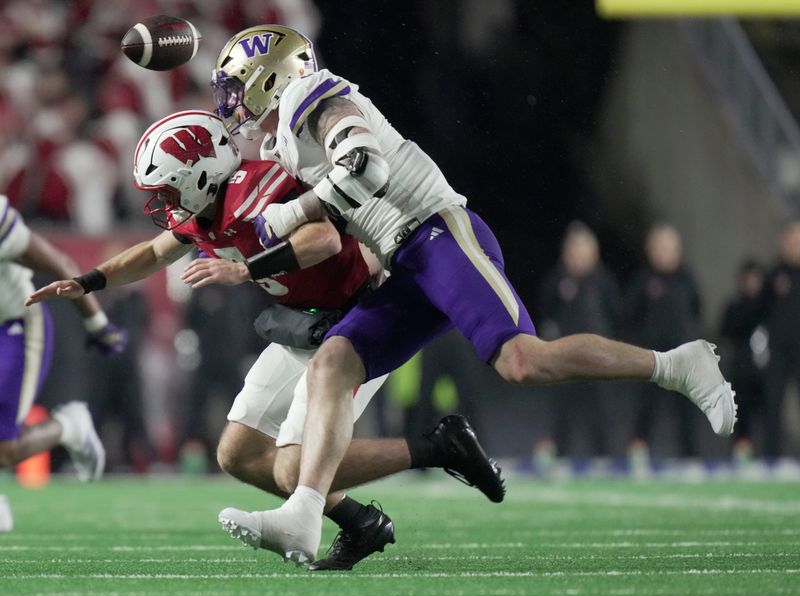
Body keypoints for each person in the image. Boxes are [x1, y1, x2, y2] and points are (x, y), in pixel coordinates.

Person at [206, 24, 738, 565]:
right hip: (404, 262)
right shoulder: (287, 140)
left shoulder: (311, 97)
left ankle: (676, 364)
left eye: (235, 85)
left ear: (269, 78)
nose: (230, 100)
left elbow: (366, 165)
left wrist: (297, 211)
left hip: (438, 233)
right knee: (331, 366)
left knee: (522, 362)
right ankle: (304, 517)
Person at [27, 110, 504, 569]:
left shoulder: (256, 187)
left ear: (198, 174)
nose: (164, 203)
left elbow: (324, 239)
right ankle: (361, 523)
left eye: (168, 189)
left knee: (295, 468)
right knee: (238, 454)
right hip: (307, 323)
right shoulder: (206, 209)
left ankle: (439, 448)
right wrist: (88, 281)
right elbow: (153, 252)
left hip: (358, 321)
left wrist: (244, 269)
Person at [0, 193, 126, 532]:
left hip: (13, 326)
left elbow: (61, 265)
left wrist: (96, 324)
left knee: (5, 450)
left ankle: (69, 426)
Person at [536, 221, 622, 459]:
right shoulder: (557, 281)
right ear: (566, 254)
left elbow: (617, 316)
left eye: (586, 252)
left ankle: (606, 461)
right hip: (565, 361)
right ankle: (559, 459)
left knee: (602, 415)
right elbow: (545, 314)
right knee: (563, 415)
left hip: (597, 362)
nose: (581, 258)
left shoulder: (603, 282)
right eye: (576, 251)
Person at [625, 223, 703, 459]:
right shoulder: (643, 280)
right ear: (651, 251)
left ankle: (691, 458)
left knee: (687, 410)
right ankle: (638, 451)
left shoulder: (687, 278)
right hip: (653, 356)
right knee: (646, 407)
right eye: (660, 248)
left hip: (683, 357)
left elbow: (697, 309)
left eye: (670, 248)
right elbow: (630, 314)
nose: (665, 253)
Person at [720, 259, 767, 463]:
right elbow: (726, 332)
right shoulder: (735, 306)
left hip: (766, 370)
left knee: (768, 413)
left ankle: (768, 452)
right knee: (742, 413)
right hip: (742, 369)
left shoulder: (770, 306)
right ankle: (742, 451)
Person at [760, 221, 800, 460]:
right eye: (791, 242)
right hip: (778, 351)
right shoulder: (774, 275)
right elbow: (760, 311)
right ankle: (771, 459)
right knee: (773, 404)